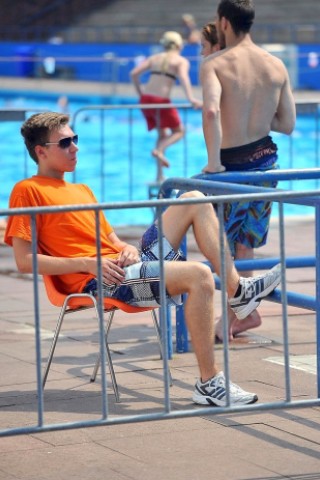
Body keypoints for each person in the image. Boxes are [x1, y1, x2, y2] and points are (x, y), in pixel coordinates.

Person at [4, 112, 282, 406]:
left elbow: (112, 241)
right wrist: (87, 264)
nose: (75, 147)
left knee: (195, 199)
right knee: (198, 275)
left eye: (75, 139)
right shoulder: (27, 191)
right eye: (65, 143)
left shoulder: (82, 190)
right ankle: (209, 383)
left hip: (125, 266)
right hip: (101, 281)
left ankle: (237, 291)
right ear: (41, 151)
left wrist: (129, 249)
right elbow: (24, 261)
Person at [200, 0, 296, 341]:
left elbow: (211, 112)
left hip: (233, 169)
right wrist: (256, 114)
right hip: (267, 164)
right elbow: (287, 124)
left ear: (224, 22)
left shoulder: (215, 63)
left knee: (220, 245)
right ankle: (244, 314)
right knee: (247, 242)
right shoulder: (276, 65)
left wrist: (213, 163)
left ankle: (235, 318)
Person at [130, 31, 202, 182]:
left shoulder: (154, 58)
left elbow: (134, 74)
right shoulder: (180, 61)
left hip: (146, 100)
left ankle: (159, 176)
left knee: (162, 135)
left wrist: (140, 94)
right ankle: (159, 150)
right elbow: (184, 78)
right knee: (180, 131)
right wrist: (191, 98)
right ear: (178, 45)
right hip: (161, 101)